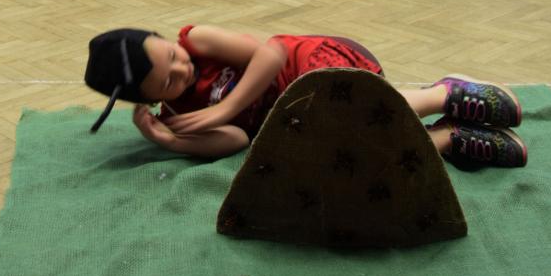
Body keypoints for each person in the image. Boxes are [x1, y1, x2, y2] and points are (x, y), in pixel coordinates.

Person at [83, 25, 527, 169]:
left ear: (164, 38)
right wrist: (172, 141)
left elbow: (273, 53)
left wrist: (226, 107)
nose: (181, 69)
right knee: (347, 157)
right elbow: (238, 140)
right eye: (167, 83)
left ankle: (442, 95)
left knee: (344, 110)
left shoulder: (197, 40)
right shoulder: (175, 114)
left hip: (313, 66)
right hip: (304, 120)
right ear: (149, 100)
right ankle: (450, 138)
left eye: (171, 56)